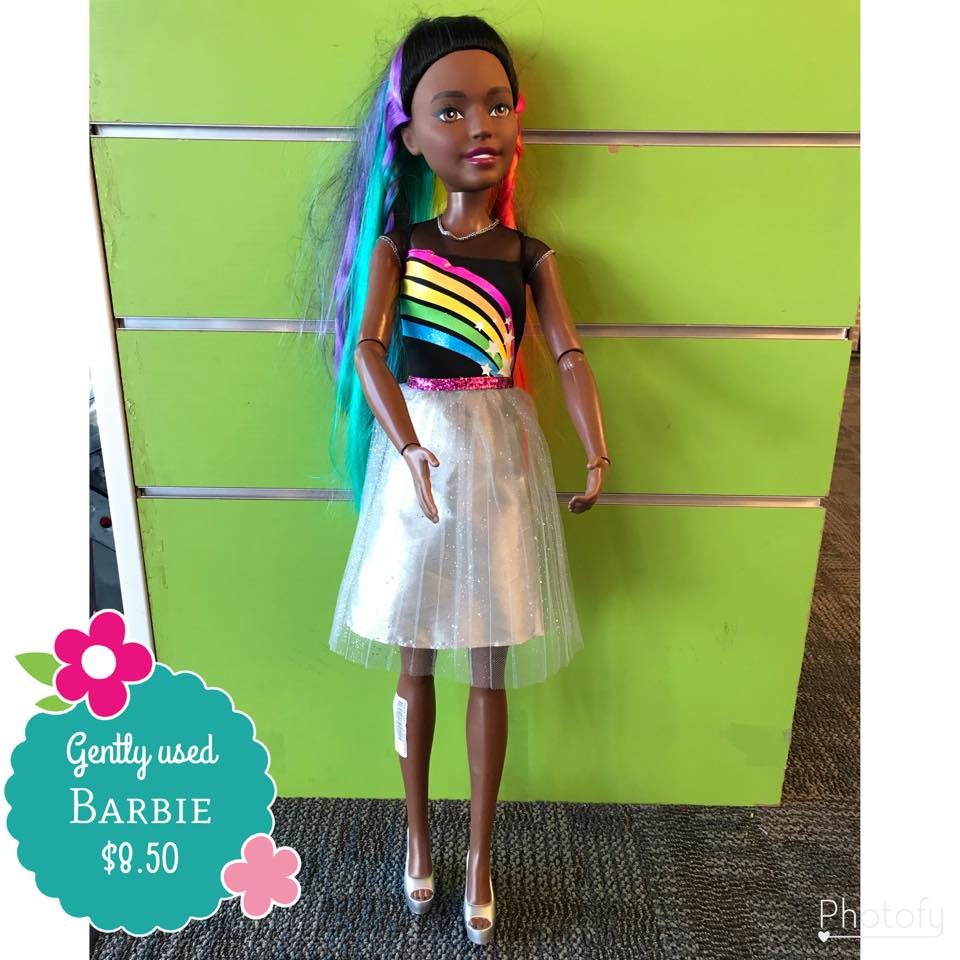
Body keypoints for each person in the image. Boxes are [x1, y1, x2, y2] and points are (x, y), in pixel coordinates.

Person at [309, 14, 611, 945]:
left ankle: (477, 855)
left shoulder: (529, 256)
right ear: (409, 137)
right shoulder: (399, 246)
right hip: (422, 449)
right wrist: (405, 444)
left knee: (489, 663)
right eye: (451, 109)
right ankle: (417, 837)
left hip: (500, 456)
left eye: (496, 105)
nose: (480, 126)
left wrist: (596, 448)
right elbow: (369, 349)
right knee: (415, 656)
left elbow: (567, 354)